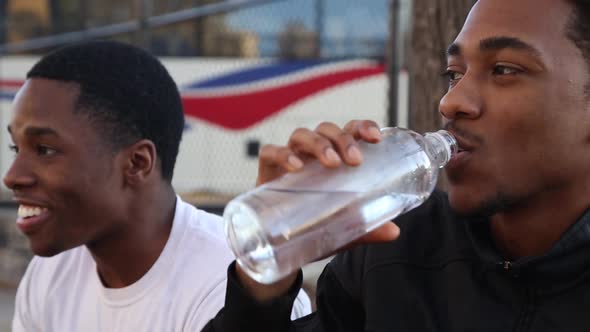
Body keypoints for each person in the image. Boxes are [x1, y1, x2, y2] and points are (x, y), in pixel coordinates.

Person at [203, 0, 590, 330]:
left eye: (504, 70)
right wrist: (264, 280)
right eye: (454, 74)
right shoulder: (394, 247)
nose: (450, 102)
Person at [5, 40, 311, 332]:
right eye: (16, 149)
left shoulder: (240, 288)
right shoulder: (49, 275)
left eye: (44, 149)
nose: (12, 176)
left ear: (138, 163)